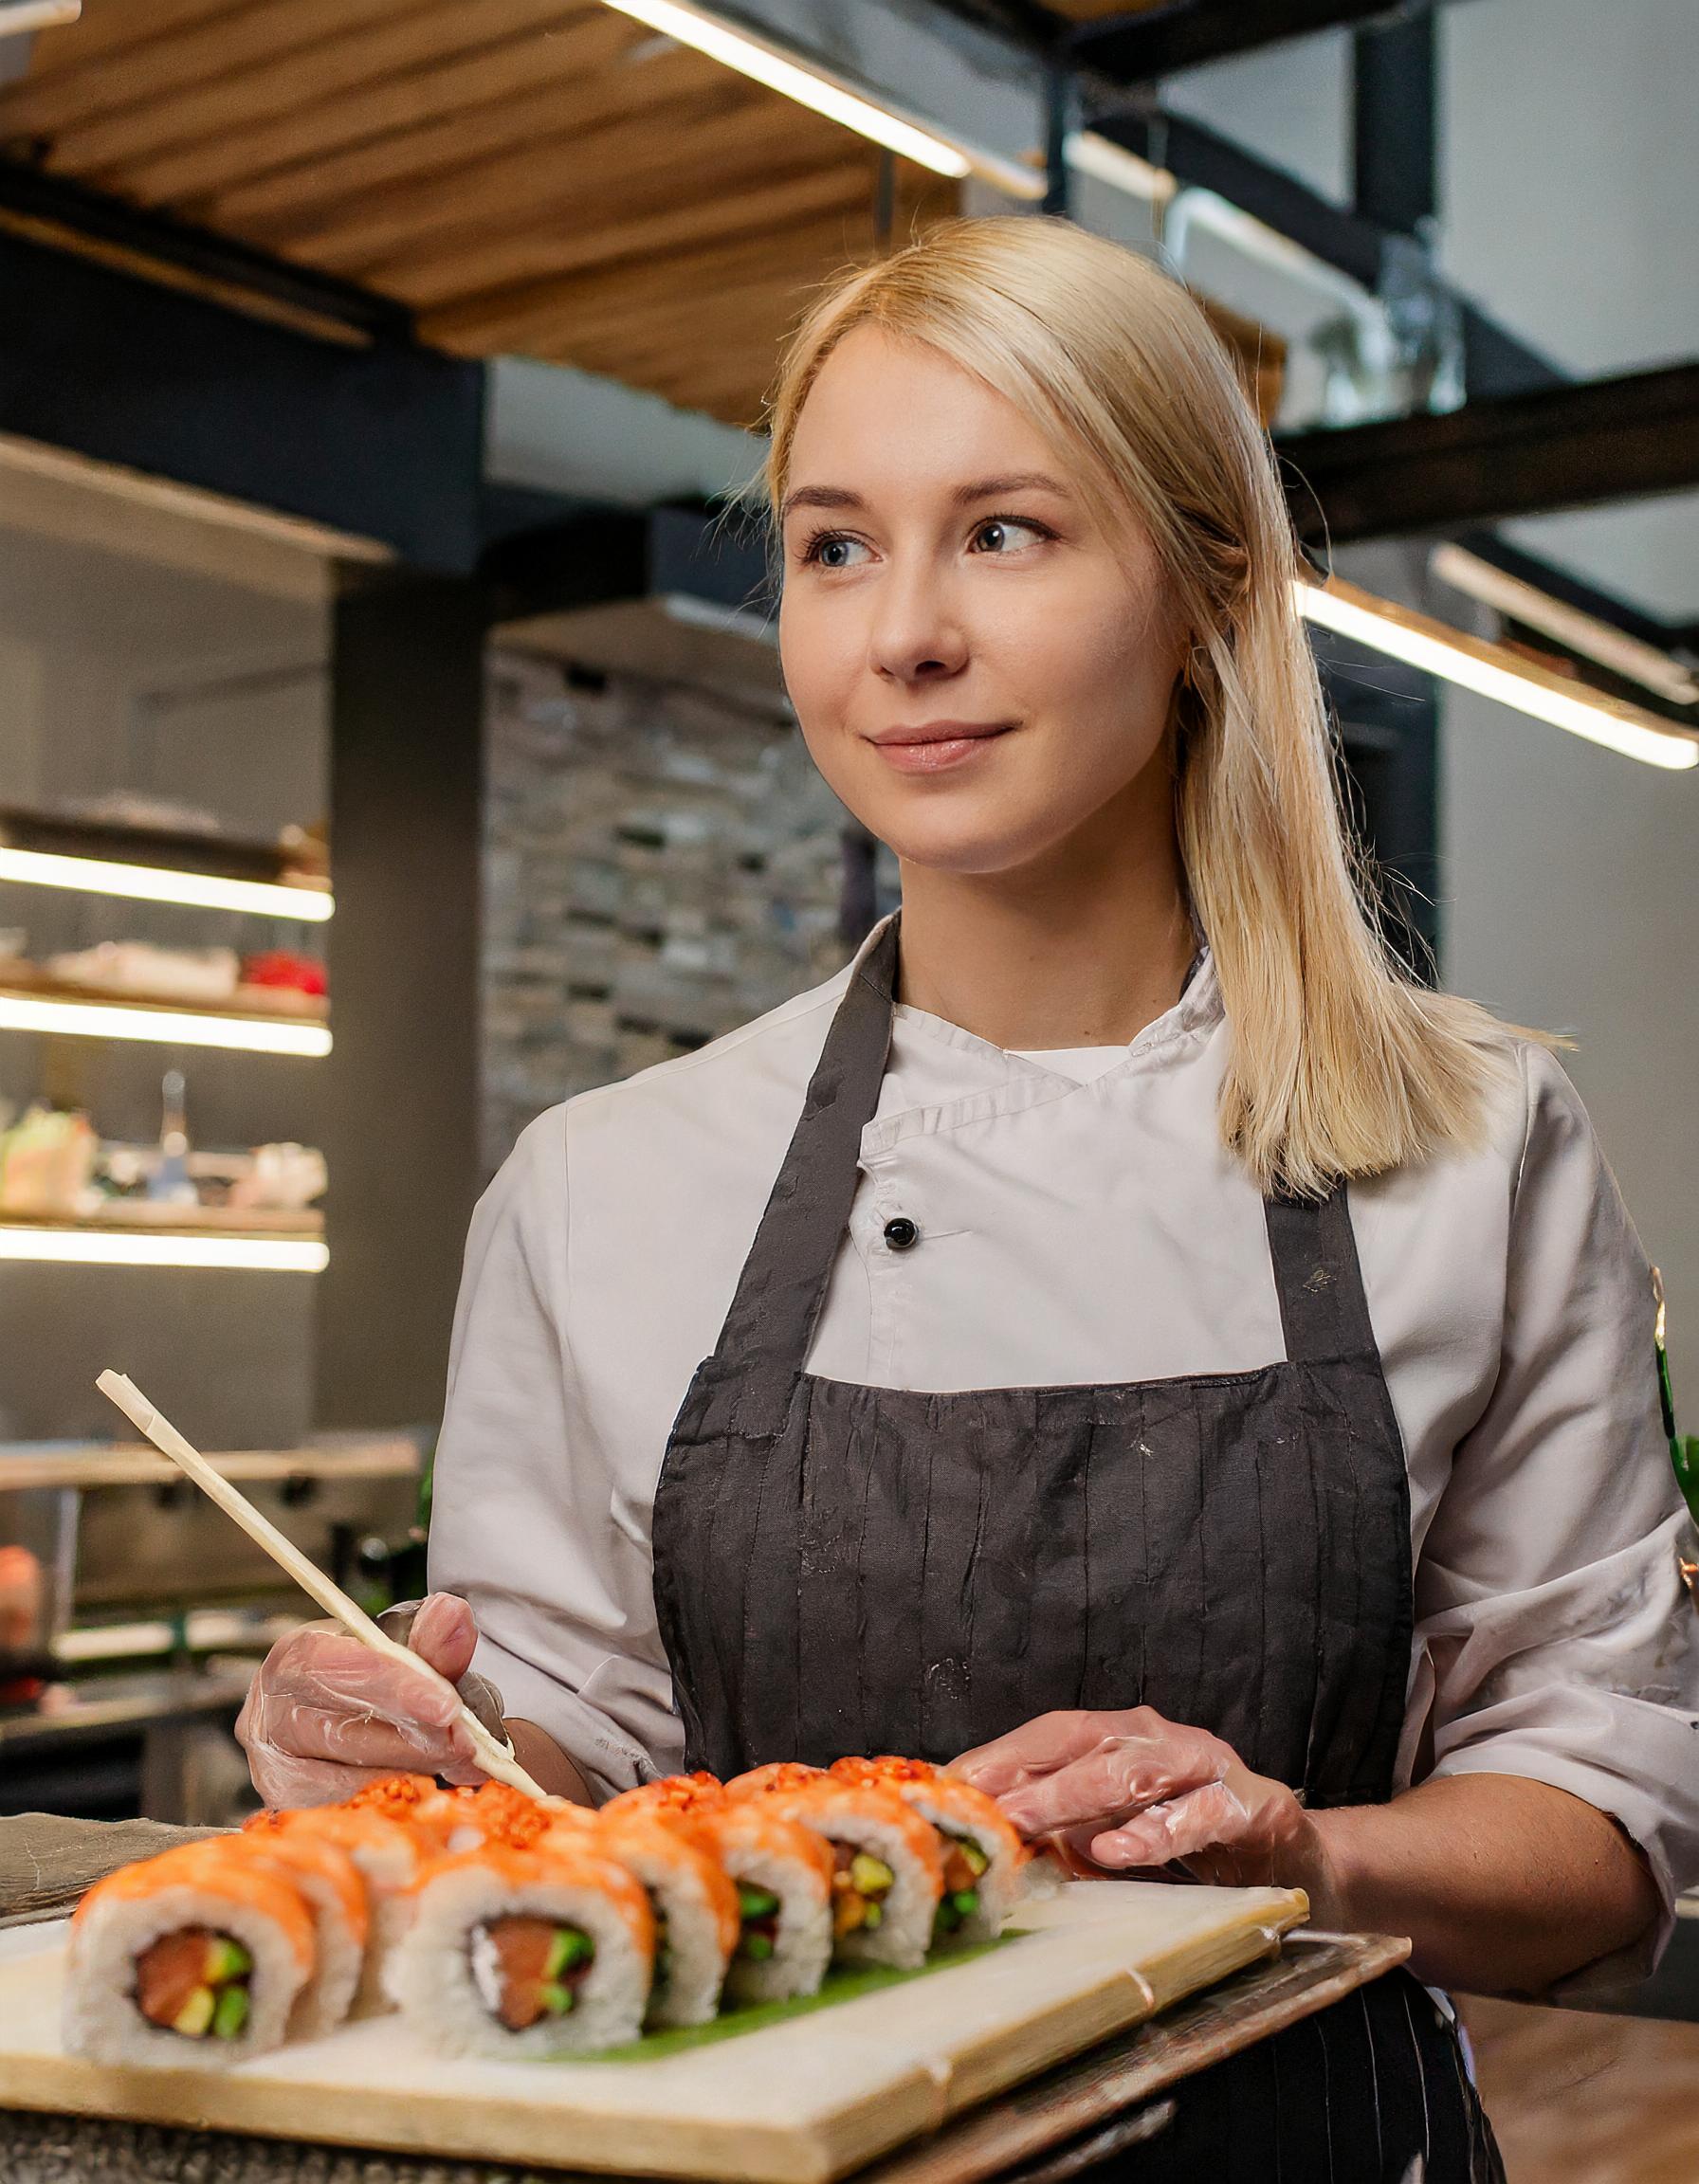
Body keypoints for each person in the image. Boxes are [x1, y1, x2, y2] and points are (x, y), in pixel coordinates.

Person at [237, 217, 1699, 2178]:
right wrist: (414, 1769)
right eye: (836, 543)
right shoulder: (604, 1186)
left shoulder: (1474, 1149)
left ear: (1202, 595)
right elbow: (558, 1763)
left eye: (1003, 531)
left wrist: (1298, 1852)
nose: (899, 632)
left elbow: (1603, 1825)